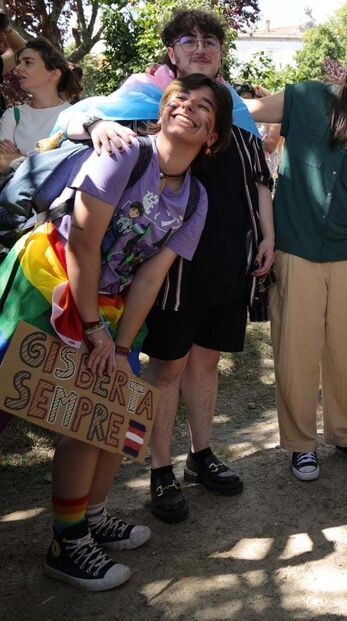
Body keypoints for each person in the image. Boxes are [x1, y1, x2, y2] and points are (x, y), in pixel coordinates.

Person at [0, 74, 229, 591]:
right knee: (69, 412)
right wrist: (93, 333)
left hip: (105, 305)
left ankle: (88, 519)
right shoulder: (124, 152)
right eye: (179, 99)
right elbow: (82, 243)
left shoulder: (195, 200)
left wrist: (121, 344)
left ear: (212, 134)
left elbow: (150, 274)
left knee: (113, 407)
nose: (187, 108)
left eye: (203, 107)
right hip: (48, 284)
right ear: (163, 110)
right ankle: (68, 542)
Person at [61, 9, 274, 523]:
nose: (201, 47)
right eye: (189, 39)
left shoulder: (233, 109)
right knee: (166, 368)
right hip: (161, 266)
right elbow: (72, 118)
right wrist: (96, 123)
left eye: (211, 40)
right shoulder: (143, 97)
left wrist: (267, 233)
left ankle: (201, 454)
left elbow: (257, 179)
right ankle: (161, 470)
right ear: (171, 51)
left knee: (205, 363)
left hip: (223, 255)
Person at [244, 33, 347, 481]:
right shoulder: (306, 98)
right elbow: (245, 112)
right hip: (294, 247)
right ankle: (299, 445)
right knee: (295, 349)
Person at [0, 38, 80, 168]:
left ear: (53, 75)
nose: (17, 68)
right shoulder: (13, 115)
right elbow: (2, 162)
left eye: (28, 62)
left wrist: (18, 158)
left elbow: (71, 165)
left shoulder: (74, 116)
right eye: (18, 63)